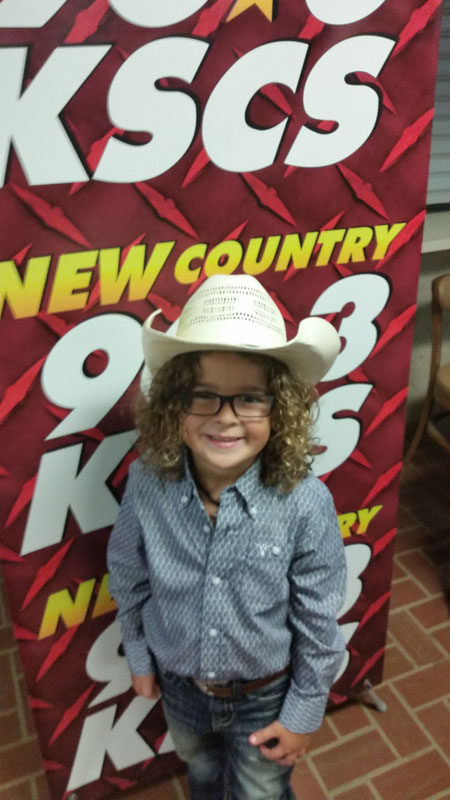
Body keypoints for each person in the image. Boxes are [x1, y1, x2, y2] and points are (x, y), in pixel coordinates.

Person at [107, 274, 347, 800]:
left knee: (260, 790)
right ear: (174, 404)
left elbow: (317, 618)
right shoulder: (148, 483)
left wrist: (305, 711)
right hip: (180, 688)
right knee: (201, 774)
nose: (226, 418)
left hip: (265, 696)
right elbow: (128, 575)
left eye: (250, 399)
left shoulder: (306, 502)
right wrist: (141, 659)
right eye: (204, 396)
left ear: (280, 409)